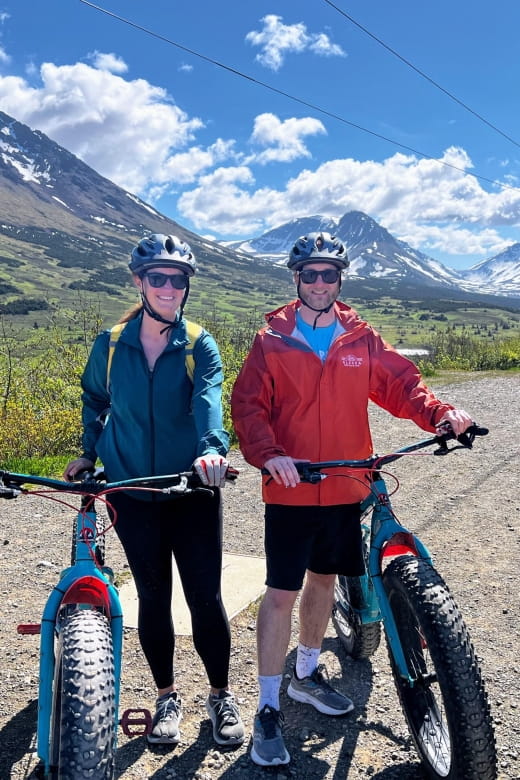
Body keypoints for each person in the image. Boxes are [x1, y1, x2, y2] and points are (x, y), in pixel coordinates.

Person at [230, 231, 473, 767]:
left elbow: (402, 385)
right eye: (310, 274)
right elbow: (248, 406)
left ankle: (307, 673)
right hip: (292, 489)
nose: (320, 283)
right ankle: (267, 707)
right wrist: (268, 454)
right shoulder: (271, 339)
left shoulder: (360, 338)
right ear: (296, 279)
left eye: (329, 274)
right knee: (279, 593)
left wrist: (441, 414)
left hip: (347, 483)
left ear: (341, 280)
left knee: (323, 580)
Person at [64, 233, 244, 748]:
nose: (169, 287)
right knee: (152, 597)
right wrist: (88, 452)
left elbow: (210, 397)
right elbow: (96, 398)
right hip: (129, 489)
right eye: (158, 278)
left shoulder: (198, 342)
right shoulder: (112, 341)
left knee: (205, 598)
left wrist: (212, 449)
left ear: (186, 286)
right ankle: (167, 697)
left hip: (190, 486)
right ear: (139, 283)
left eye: (177, 279)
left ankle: (219, 696)